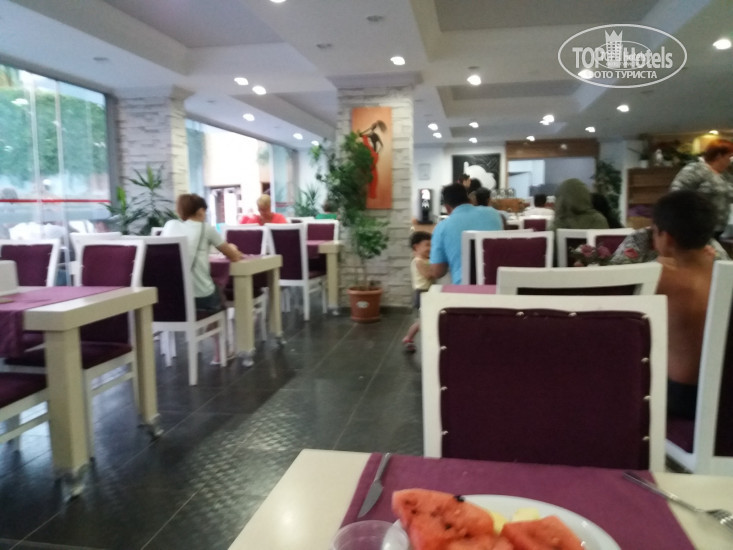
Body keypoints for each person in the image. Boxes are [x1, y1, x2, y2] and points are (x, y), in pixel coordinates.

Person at [653, 190, 717, 420]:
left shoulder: (659, 278)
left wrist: (657, 262)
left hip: (679, 397)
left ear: (667, 238)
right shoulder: (721, 276)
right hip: (722, 395)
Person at [162, 194, 244, 364]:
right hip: (199, 299)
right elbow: (233, 256)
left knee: (211, 288)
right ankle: (220, 351)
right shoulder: (205, 228)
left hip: (169, 301)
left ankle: (208, 329)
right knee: (218, 295)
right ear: (200, 211)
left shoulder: (170, 226)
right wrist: (234, 249)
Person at [429, 183, 503, 284]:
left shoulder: (441, 227)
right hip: (497, 286)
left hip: (464, 288)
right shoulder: (493, 214)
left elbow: (438, 272)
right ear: (470, 200)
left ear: (447, 208)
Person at [670, 139, 733, 237]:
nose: (731, 160)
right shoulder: (695, 169)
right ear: (719, 156)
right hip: (696, 227)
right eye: (730, 156)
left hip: (719, 228)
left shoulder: (726, 176)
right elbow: (676, 194)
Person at [402, 231, 434, 353]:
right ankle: (408, 338)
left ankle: (410, 338)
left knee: (425, 319)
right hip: (422, 293)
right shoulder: (418, 261)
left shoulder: (425, 259)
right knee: (423, 321)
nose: (430, 248)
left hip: (427, 292)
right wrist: (437, 269)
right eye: (427, 245)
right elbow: (428, 275)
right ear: (416, 247)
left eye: (432, 245)